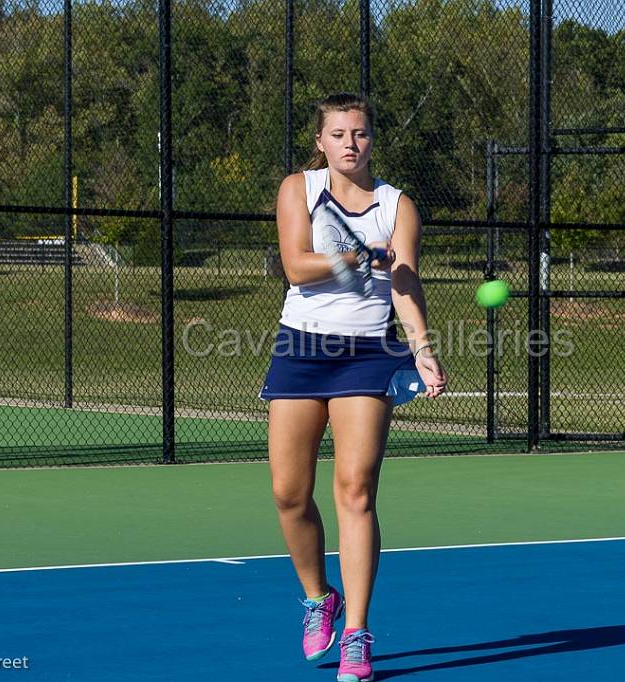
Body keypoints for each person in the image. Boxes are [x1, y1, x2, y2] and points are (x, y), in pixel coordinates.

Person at [258, 92, 447, 682]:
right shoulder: (299, 189)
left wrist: (422, 348)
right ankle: (320, 597)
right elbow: (295, 264)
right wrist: (356, 256)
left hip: (368, 353)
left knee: (356, 490)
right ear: (321, 141)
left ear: (371, 139)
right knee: (290, 494)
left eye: (359, 133)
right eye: (338, 134)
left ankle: (358, 635)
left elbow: (403, 281)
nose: (349, 143)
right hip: (301, 347)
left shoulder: (398, 206)